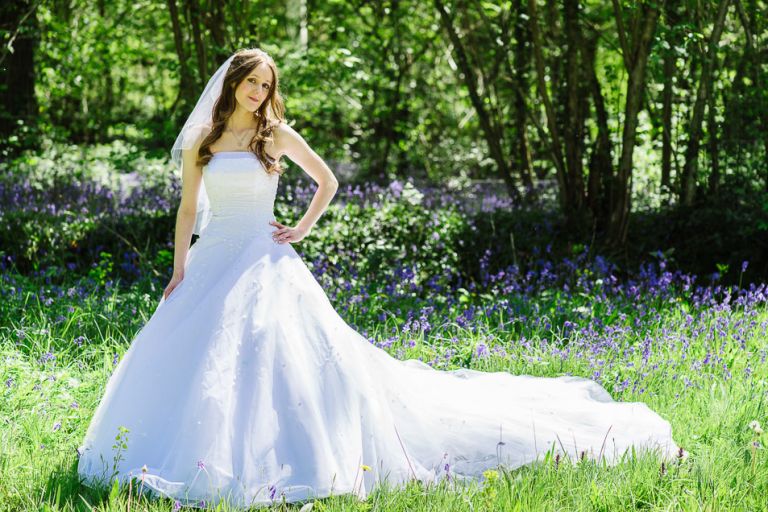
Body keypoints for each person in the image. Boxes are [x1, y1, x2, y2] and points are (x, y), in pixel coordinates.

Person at [76, 48, 679, 509]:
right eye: (251, 83)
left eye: (267, 85)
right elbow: (187, 211)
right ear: (232, 83)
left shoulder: (275, 135)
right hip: (213, 258)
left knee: (278, 356)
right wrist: (180, 270)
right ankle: (197, 458)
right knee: (202, 356)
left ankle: (286, 459)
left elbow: (327, 181)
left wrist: (302, 230)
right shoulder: (203, 142)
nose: (259, 93)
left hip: (265, 257)